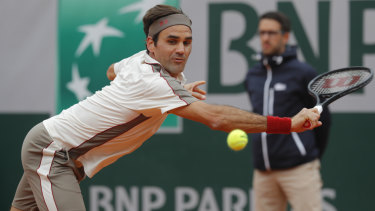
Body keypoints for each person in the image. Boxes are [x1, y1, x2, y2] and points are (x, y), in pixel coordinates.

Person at [11, 5, 322, 211]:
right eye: (172, 41)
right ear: (151, 43)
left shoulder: (138, 63)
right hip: (54, 152)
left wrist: (171, 93)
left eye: (187, 42)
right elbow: (216, 119)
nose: (181, 49)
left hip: (60, 149)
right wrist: (289, 124)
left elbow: (110, 71)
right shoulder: (154, 82)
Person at [244, 11, 331, 211]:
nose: (265, 38)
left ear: (285, 36)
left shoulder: (303, 73)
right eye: (262, 33)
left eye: (271, 33)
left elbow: (324, 119)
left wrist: (308, 155)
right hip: (263, 171)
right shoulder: (252, 75)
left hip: (299, 169)